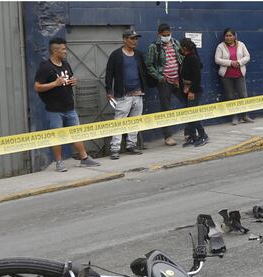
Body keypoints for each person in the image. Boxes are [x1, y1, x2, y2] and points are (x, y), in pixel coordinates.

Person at [34, 37, 100, 172]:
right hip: (54, 110)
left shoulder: (65, 64)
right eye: (63, 49)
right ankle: (59, 162)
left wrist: (73, 81)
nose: (65, 51)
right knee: (57, 136)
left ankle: (84, 158)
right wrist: (54, 83)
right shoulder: (45, 67)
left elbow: (69, 77)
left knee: (76, 133)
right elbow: (37, 87)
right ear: (55, 51)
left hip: (69, 107)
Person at [105, 29, 149, 160]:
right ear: (124, 39)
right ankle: (115, 148)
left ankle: (131, 145)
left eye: (136, 39)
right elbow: (109, 73)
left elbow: (144, 71)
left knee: (135, 120)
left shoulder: (139, 54)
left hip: (138, 93)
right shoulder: (116, 55)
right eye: (132, 38)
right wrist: (109, 91)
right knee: (119, 121)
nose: (135, 41)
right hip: (123, 95)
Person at [145, 23, 182, 146]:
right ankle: (168, 136)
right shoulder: (154, 47)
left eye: (168, 34)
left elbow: (180, 59)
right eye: (164, 35)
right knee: (166, 108)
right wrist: (159, 77)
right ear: (159, 34)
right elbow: (149, 65)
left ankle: (189, 132)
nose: (166, 37)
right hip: (164, 82)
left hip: (178, 80)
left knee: (188, 103)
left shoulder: (176, 43)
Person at [215, 28, 253, 125]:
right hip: (226, 75)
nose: (228, 38)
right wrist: (230, 63)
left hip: (239, 74)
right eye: (226, 36)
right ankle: (234, 117)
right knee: (230, 97)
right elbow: (217, 60)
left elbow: (247, 56)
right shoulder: (220, 46)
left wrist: (239, 62)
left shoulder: (241, 45)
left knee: (243, 96)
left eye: (230, 35)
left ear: (234, 36)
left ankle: (244, 116)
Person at [179, 38, 208, 147]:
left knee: (193, 114)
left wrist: (192, 91)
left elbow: (197, 77)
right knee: (189, 114)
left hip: (193, 91)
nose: (179, 49)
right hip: (186, 90)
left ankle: (203, 135)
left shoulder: (193, 58)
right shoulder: (186, 58)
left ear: (185, 48)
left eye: (181, 47)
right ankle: (192, 136)